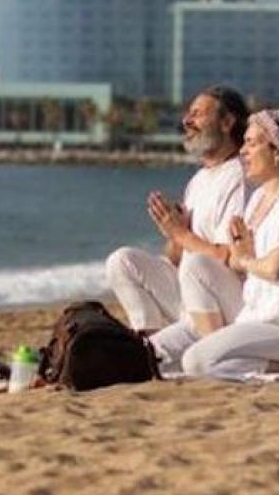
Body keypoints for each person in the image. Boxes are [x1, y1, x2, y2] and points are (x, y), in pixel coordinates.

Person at [177, 107, 279, 381]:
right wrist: (240, 256)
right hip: (257, 314)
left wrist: (246, 259)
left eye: (251, 143)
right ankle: (232, 353)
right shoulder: (258, 199)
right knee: (195, 266)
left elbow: (274, 268)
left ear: (278, 151)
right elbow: (238, 262)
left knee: (195, 362)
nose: (243, 152)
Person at [103, 86, 249, 363]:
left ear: (227, 122)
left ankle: (153, 353)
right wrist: (172, 235)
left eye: (197, 114)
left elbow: (229, 259)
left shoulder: (240, 177)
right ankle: (149, 336)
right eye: (188, 114)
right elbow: (175, 258)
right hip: (190, 293)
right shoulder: (199, 180)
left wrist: (181, 233)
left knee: (130, 360)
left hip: (224, 303)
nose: (186, 121)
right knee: (122, 261)